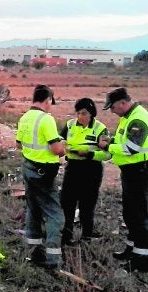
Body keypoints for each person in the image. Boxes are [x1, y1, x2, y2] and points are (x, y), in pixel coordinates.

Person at [16, 84, 66, 269]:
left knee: (34, 209)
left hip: (28, 168)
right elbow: (56, 149)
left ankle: (33, 251)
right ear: (47, 100)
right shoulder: (46, 119)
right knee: (55, 215)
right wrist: (64, 147)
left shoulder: (25, 117)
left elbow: (19, 144)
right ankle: (53, 259)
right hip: (43, 173)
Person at [98, 87, 148, 272]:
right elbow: (122, 143)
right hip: (130, 171)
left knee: (140, 215)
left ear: (123, 103)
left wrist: (108, 145)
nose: (111, 111)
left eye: (112, 107)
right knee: (130, 213)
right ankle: (131, 250)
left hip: (140, 172)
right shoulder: (127, 117)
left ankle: (141, 260)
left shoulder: (137, 119)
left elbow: (131, 148)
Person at [60, 98, 111, 246]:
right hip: (73, 168)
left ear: (91, 114)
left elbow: (107, 154)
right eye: (78, 113)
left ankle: (86, 238)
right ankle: (66, 237)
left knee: (87, 206)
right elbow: (60, 142)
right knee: (67, 204)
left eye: (84, 113)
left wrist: (89, 154)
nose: (80, 117)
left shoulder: (100, 128)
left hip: (91, 169)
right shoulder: (69, 125)